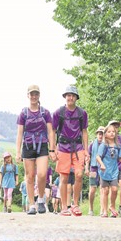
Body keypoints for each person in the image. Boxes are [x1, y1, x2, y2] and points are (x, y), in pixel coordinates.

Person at [16, 85, 55, 215]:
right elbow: (20, 133)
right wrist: (17, 152)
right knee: (30, 176)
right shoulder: (23, 113)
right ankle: (32, 204)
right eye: (31, 94)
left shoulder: (45, 112)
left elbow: (50, 131)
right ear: (28, 95)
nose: (33, 96)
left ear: (39, 96)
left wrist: (52, 149)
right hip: (28, 146)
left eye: (36, 94)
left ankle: (41, 198)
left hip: (42, 144)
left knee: (42, 174)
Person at [53, 85, 88, 216]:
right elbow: (53, 131)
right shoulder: (58, 112)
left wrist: (86, 150)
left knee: (79, 174)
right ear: (65, 97)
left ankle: (75, 204)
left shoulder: (82, 113)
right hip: (63, 146)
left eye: (73, 95)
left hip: (78, 146)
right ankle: (64, 207)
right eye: (68, 95)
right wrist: (53, 148)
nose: (70, 97)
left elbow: (84, 131)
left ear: (76, 98)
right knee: (64, 177)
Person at [95, 123, 121, 218]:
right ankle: (105, 211)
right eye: (109, 131)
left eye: (113, 131)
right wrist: (102, 164)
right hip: (104, 172)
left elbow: (120, 158)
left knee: (114, 189)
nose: (112, 133)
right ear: (105, 134)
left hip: (114, 171)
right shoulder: (103, 145)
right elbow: (98, 156)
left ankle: (112, 205)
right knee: (105, 191)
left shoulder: (118, 146)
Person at [85, 126, 105, 216]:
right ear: (97, 134)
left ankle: (102, 209)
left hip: (103, 169)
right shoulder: (92, 144)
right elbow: (87, 157)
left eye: (102, 134)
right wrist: (86, 168)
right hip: (93, 168)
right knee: (92, 189)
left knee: (102, 189)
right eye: (99, 134)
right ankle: (91, 208)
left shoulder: (107, 144)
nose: (101, 135)